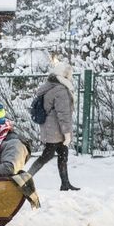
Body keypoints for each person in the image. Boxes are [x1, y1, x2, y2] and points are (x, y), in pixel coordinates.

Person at [27, 61, 80, 191]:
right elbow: (63, 114)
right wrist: (67, 134)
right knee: (47, 155)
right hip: (56, 130)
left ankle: (65, 183)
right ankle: (25, 178)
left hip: (50, 127)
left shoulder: (49, 86)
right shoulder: (61, 90)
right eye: (69, 74)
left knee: (63, 154)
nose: (70, 76)